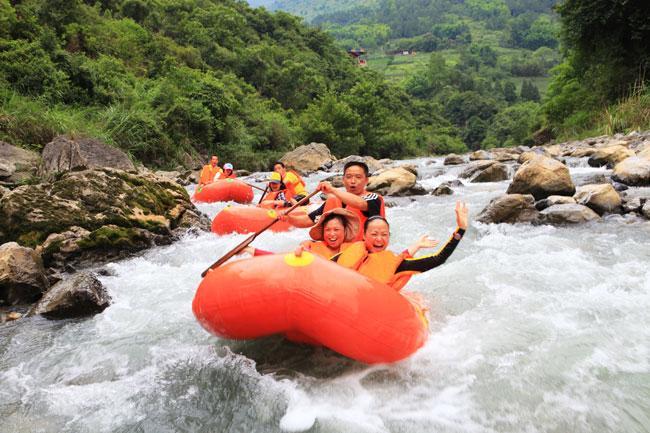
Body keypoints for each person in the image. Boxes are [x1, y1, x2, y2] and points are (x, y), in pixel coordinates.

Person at [332, 201, 469, 291]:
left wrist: (460, 230)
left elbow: (438, 258)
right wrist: (416, 246)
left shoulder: (397, 264)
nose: (379, 239)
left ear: (389, 237)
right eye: (374, 234)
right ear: (363, 236)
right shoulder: (349, 253)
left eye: (384, 234)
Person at [282, 161, 384, 241]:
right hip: (338, 248)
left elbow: (361, 204)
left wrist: (333, 190)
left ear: (366, 180)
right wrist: (288, 218)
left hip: (362, 249)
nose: (353, 181)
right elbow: (308, 220)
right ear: (343, 180)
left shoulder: (373, 198)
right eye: (348, 177)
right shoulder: (335, 200)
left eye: (358, 177)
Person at [244, 208, 360, 259]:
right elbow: (284, 259)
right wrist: (303, 250)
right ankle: (250, 250)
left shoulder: (356, 249)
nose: (331, 234)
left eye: (336, 230)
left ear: (345, 231)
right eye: (327, 230)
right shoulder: (310, 245)